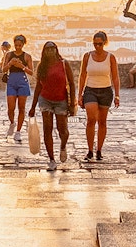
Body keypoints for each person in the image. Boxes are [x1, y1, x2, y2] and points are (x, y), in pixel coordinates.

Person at [28, 41, 76, 171]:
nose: (50, 51)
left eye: (52, 48)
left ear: (56, 50)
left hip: (61, 100)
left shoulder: (64, 64)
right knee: (47, 129)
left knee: (62, 130)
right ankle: (51, 159)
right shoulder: (42, 66)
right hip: (45, 100)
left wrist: (72, 104)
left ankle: (63, 146)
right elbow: (39, 86)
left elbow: (71, 84)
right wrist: (33, 107)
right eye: (47, 49)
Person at [77, 30, 120, 161]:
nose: (97, 46)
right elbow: (83, 75)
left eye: (100, 44)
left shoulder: (110, 57)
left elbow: (115, 77)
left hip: (106, 91)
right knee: (91, 119)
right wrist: (79, 94)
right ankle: (89, 150)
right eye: (95, 44)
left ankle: (99, 150)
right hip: (90, 90)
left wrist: (117, 95)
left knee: (102, 121)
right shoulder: (87, 56)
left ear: (105, 43)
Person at [1, 34, 34, 142]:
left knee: (21, 107)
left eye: (20, 45)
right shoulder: (9, 55)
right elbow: (3, 70)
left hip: (22, 82)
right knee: (11, 107)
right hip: (11, 81)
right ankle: (12, 122)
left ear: (23, 44)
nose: (18, 47)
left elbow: (32, 72)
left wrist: (22, 67)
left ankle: (18, 131)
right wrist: (10, 64)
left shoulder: (27, 56)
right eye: (16, 45)